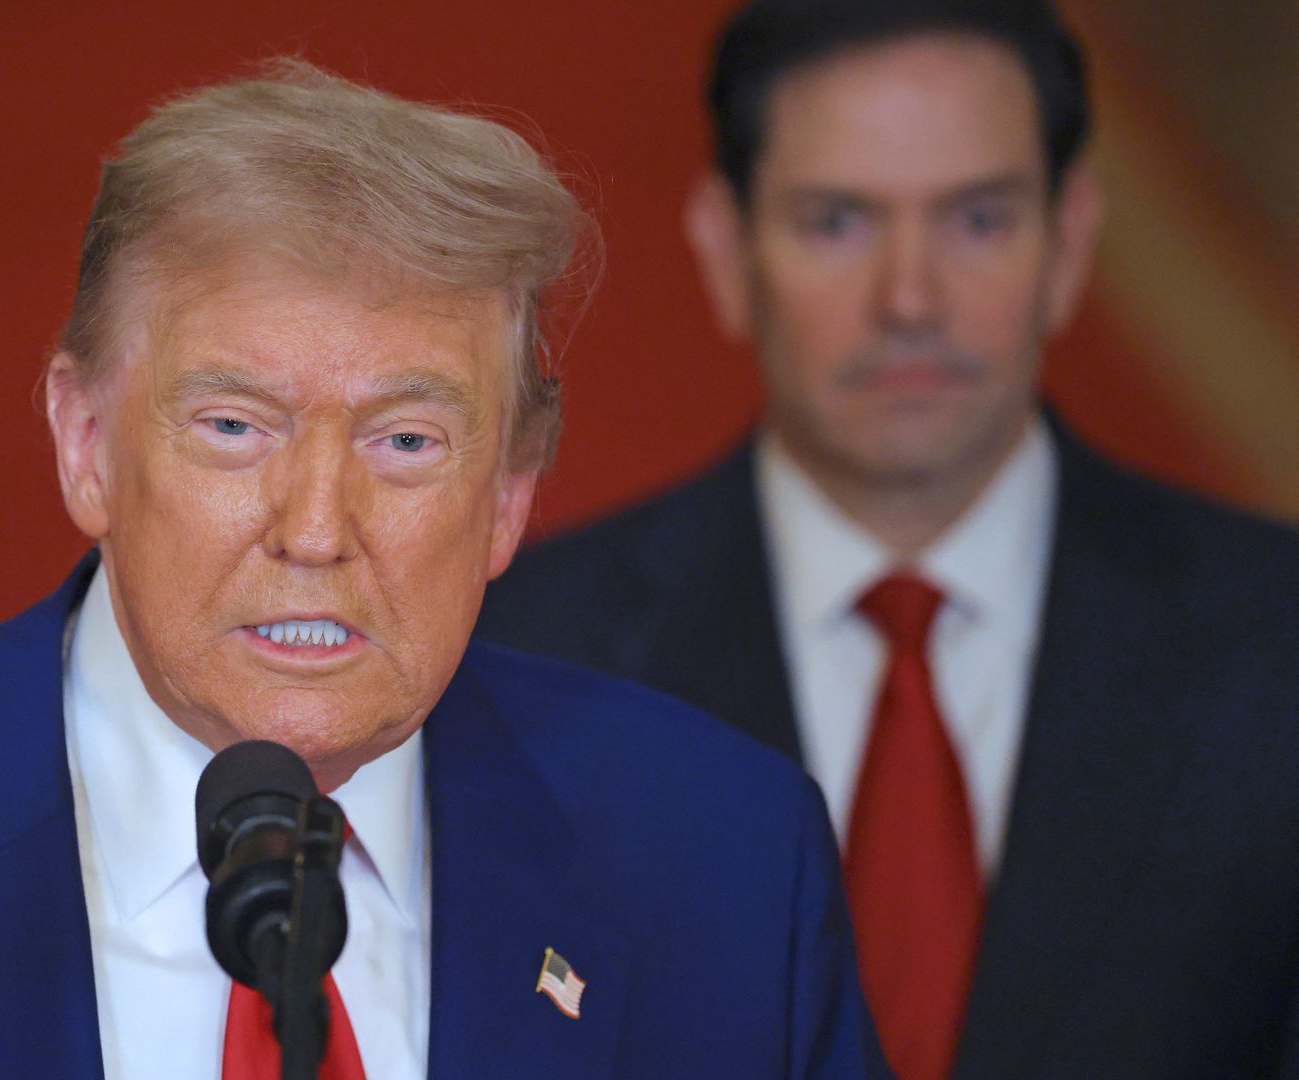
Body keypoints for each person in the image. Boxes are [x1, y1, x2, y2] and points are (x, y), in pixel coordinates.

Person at [0, 61, 888, 1078]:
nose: (316, 529)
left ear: (511, 494)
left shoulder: (725, 866)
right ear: (86, 443)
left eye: (406, 441)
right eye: (233, 426)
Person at [478, 2, 1299, 1078]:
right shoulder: (521, 659)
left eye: (978, 220)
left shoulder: (1276, 641)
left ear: (1069, 244)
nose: (910, 299)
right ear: (727, 253)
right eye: (837, 223)